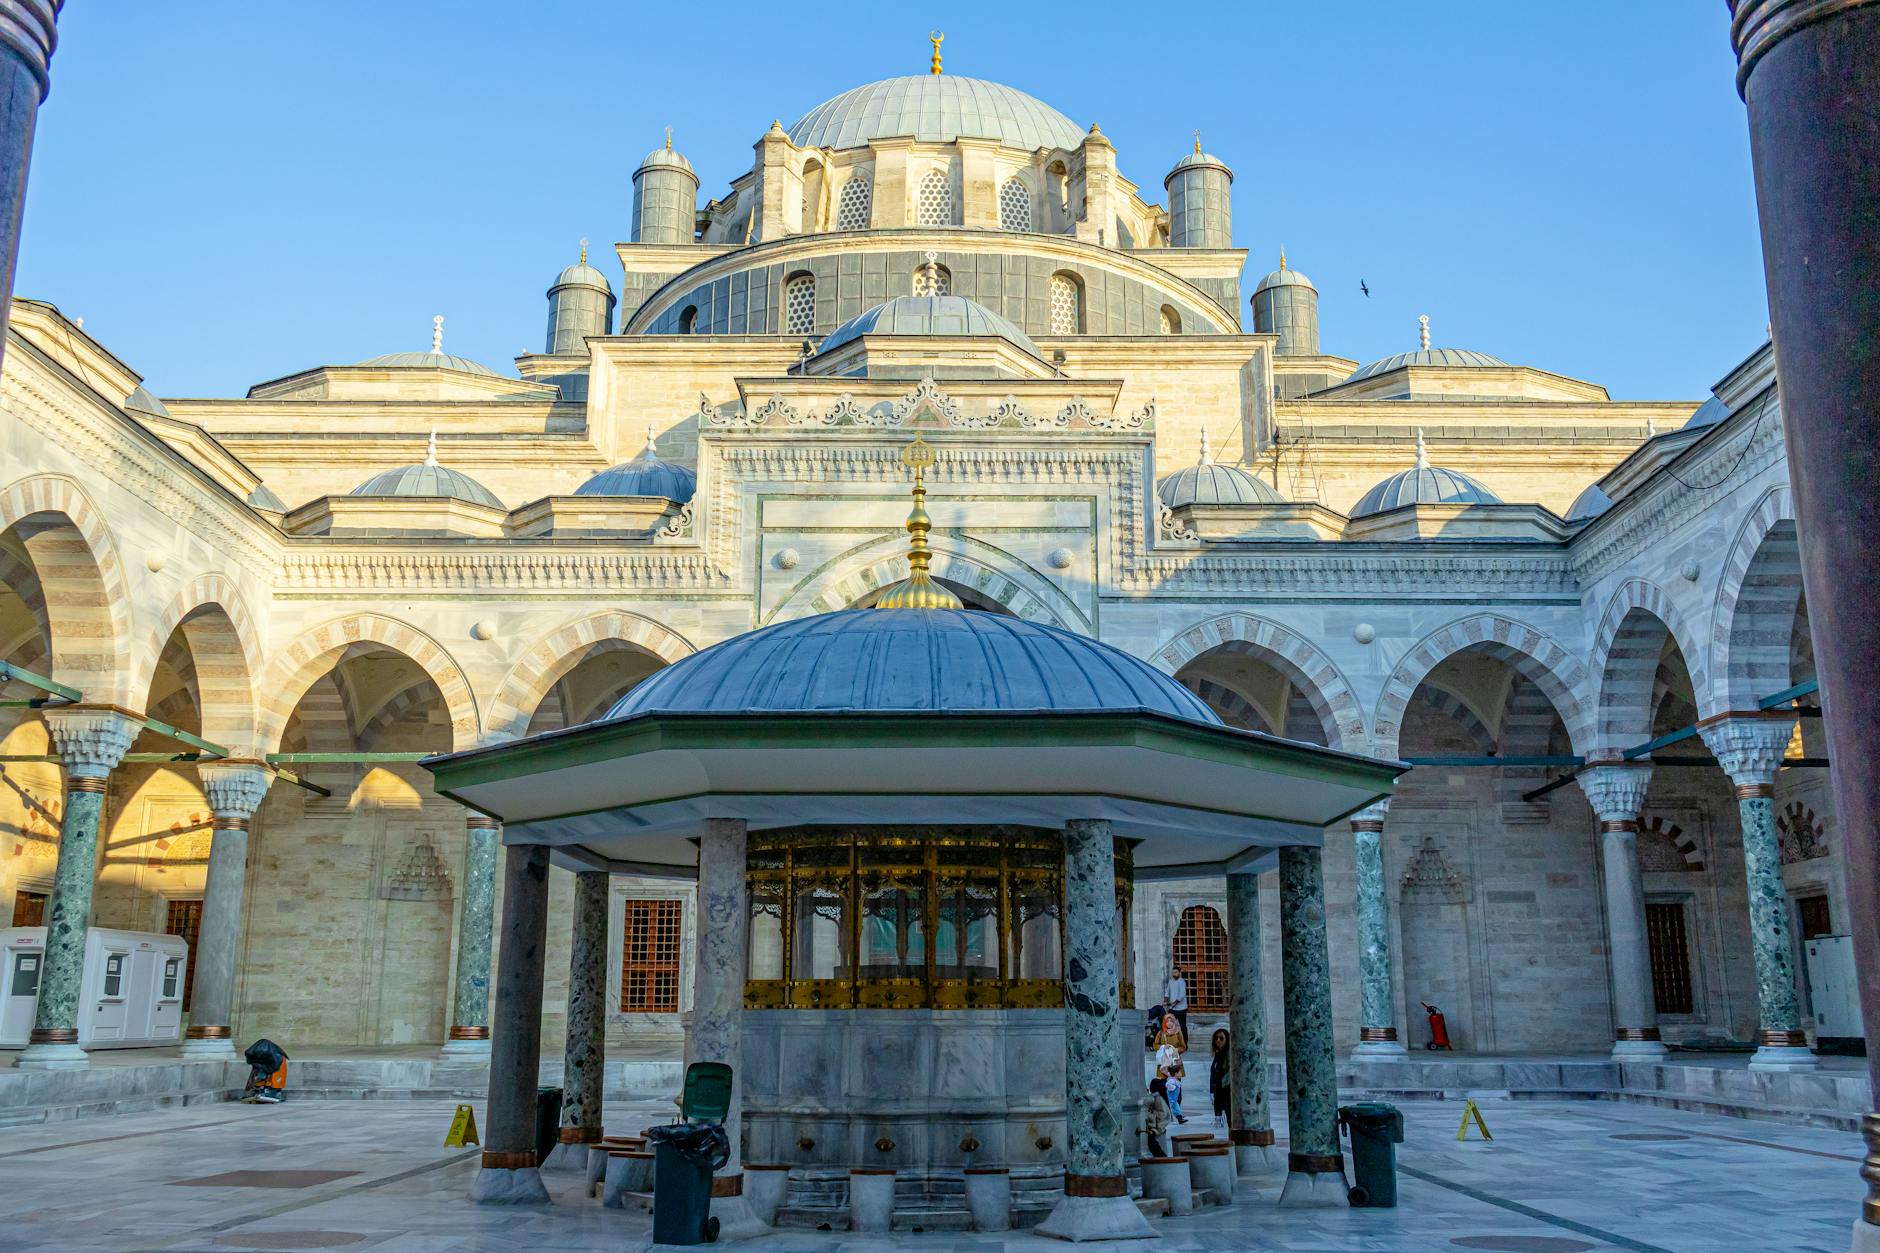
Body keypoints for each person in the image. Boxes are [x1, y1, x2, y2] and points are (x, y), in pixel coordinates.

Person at [1155, 1018, 1186, 1124]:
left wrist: (1175, 1049)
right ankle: (1169, 1115)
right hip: (1165, 1064)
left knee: (1178, 1095)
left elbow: (1183, 1047)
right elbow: (1155, 1046)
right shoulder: (1161, 1033)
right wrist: (1164, 1047)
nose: (1169, 1023)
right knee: (1165, 1094)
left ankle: (1178, 1115)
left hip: (1176, 1064)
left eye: (1171, 1021)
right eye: (1167, 1021)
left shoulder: (1178, 1033)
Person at [1144, 1075, 1173, 1157]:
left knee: (1149, 1138)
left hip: (1157, 1126)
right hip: (1155, 1125)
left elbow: (1162, 1116)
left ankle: (1162, 1157)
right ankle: (1161, 1156)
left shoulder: (1157, 1098)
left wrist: (1148, 1115)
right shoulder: (1156, 1097)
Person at [1208, 1028, 1231, 1129]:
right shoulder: (1218, 1054)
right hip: (1219, 1089)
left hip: (1226, 1090)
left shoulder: (1228, 1055)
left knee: (1231, 1118)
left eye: (1221, 1038)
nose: (1218, 1040)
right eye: (1216, 1038)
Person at [1164, 965, 1189, 1044]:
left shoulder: (1182, 982)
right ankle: (1169, 1042)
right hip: (1173, 1009)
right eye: (1173, 973)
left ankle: (1185, 1043)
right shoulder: (1171, 981)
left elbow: (1181, 995)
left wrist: (1174, 1003)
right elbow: (1167, 992)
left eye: (1175, 972)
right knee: (1168, 1024)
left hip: (1181, 1009)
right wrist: (1166, 1001)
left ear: (1179, 973)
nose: (1174, 974)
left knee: (1183, 1027)